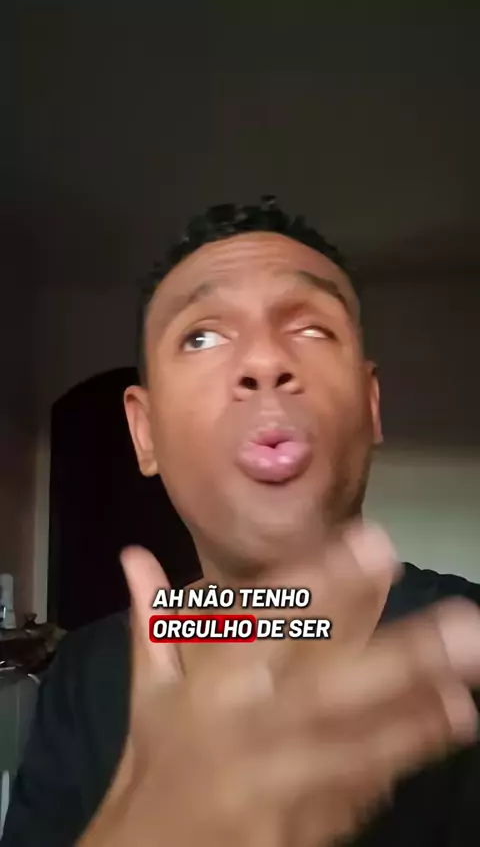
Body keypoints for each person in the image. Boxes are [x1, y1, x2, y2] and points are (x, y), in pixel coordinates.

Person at [3, 196, 480, 847]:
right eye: (201, 336)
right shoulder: (81, 675)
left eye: (313, 329)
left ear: (370, 406)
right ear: (145, 432)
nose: (263, 361)